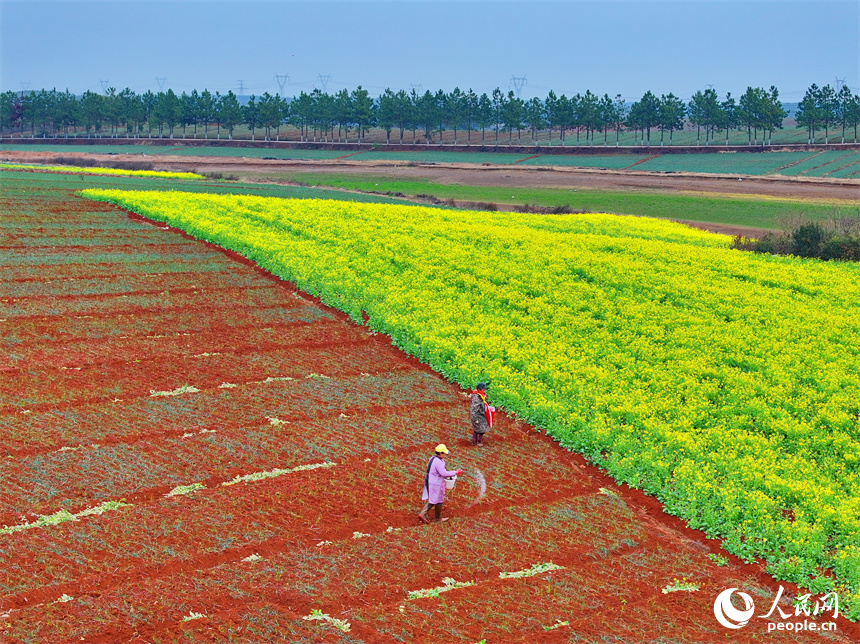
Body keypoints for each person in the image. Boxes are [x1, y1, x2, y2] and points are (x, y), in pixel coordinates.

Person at [419, 444, 462, 524]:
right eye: (444, 453)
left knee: (438, 499)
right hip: (435, 483)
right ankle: (424, 513)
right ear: (440, 453)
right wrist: (455, 472)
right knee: (434, 499)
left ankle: (437, 517)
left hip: (432, 481)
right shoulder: (438, 462)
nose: (445, 454)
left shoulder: (433, 458)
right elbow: (443, 473)